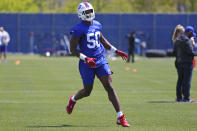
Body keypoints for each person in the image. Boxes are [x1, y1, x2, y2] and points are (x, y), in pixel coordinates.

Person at [66, 2, 130, 127]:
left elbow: (103, 41)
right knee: (87, 91)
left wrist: (116, 51)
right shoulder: (78, 29)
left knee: (109, 87)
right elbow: (73, 50)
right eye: (86, 12)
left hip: (100, 60)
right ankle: (73, 99)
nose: (89, 14)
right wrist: (86, 59)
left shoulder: (97, 25)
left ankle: (120, 117)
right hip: (86, 63)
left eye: (90, 11)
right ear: (81, 14)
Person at [173, 26, 197, 102]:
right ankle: (186, 98)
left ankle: (179, 98)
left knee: (180, 80)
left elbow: (174, 52)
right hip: (187, 63)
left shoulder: (177, 40)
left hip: (179, 62)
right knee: (187, 81)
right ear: (189, 32)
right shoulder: (187, 40)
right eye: (191, 33)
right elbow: (190, 52)